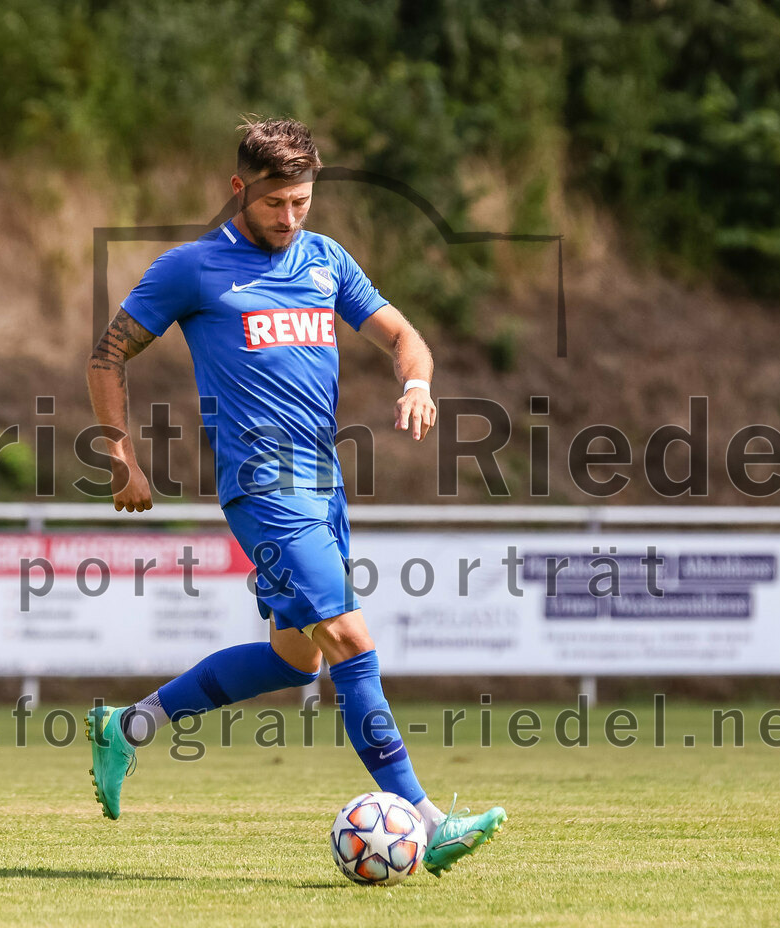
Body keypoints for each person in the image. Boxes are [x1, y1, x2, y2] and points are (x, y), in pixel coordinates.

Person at [84, 117, 506, 877]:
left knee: (294, 661)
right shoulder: (192, 269)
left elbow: (406, 336)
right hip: (261, 484)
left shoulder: (326, 261)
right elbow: (107, 354)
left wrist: (417, 383)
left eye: (303, 203)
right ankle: (429, 821)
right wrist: (120, 453)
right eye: (277, 203)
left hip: (322, 482)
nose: (290, 219)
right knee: (350, 637)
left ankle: (129, 726)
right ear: (239, 190)